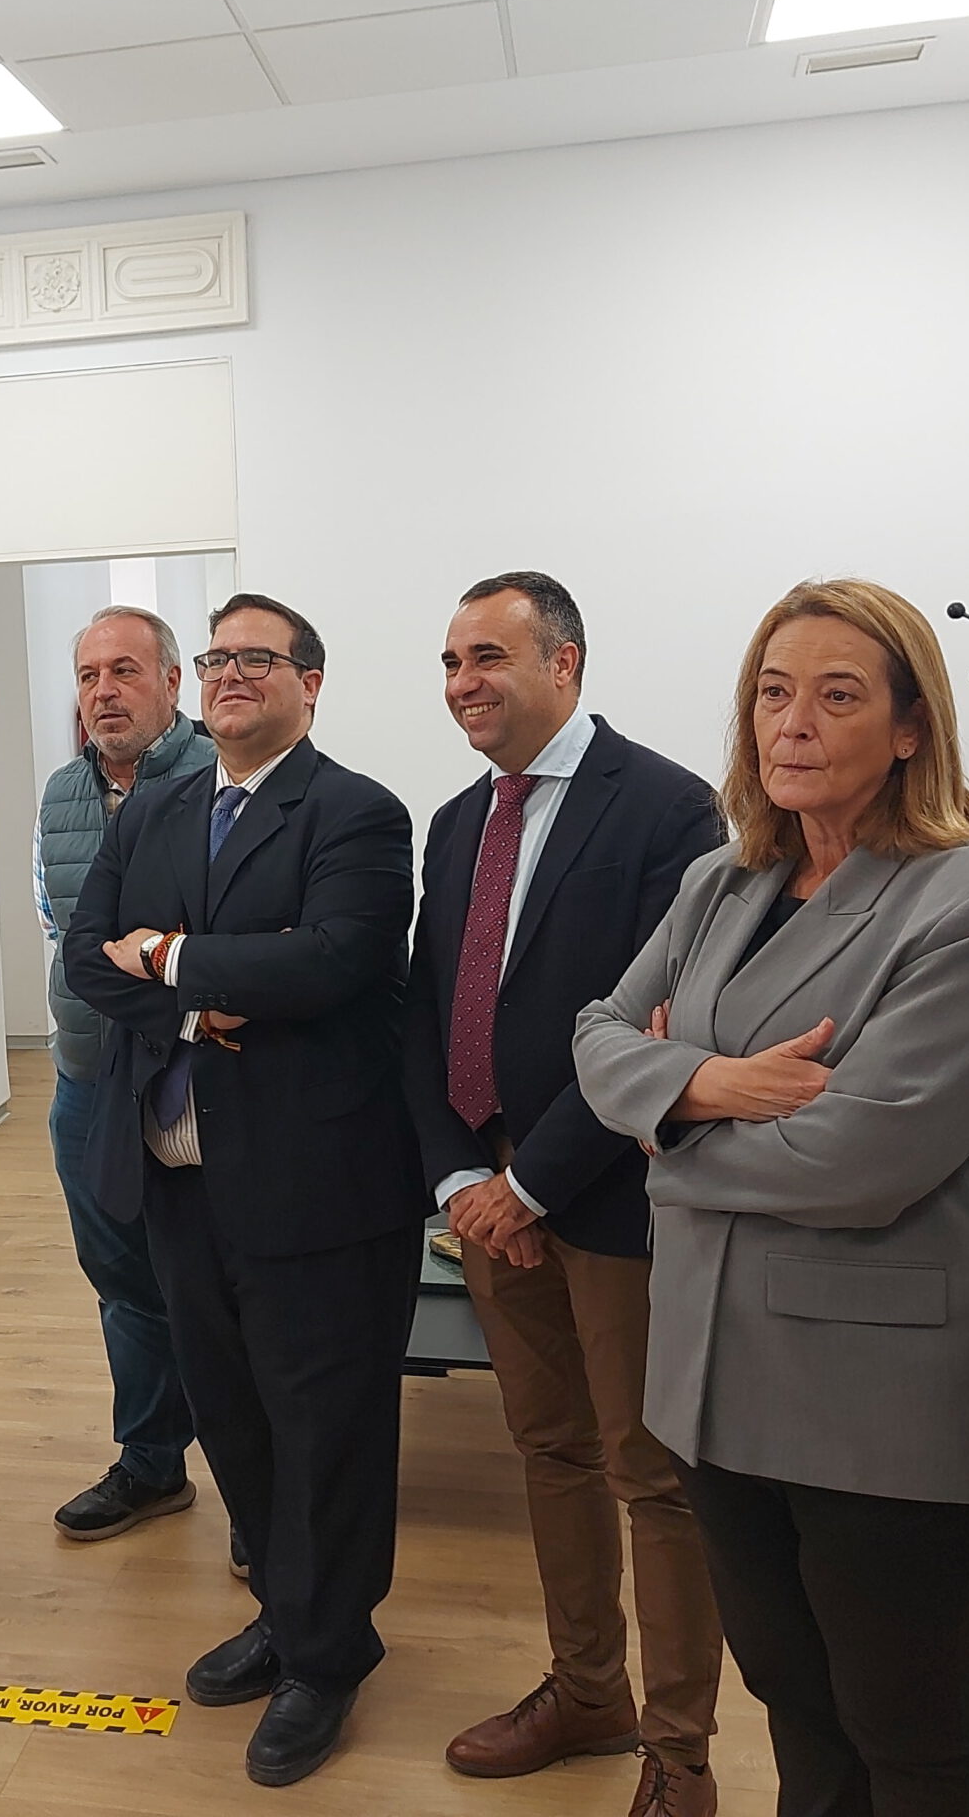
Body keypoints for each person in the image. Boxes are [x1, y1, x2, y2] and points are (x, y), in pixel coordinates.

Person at [574, 581, 969, 1817]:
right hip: (716, 1373)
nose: (790, 723)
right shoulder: (720, 883)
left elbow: (861, 1158)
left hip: (884, 1394)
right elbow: (597, 1037)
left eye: (836, 696)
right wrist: (714, 1085)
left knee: (909, 1729)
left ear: (909, 727)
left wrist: (665, 1135)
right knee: (793, 1698)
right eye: (771, 693)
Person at [64, 592, 424, 1788]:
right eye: (217, 656)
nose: (228, 675)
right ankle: (283, 1610)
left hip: (314, 1186)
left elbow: (328, 961)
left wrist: (169, 956)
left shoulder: (357, 812)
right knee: (233, 1417)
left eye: (255, 659)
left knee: (325, 1430)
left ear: (308, 684)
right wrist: (198, 1004)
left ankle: (330, 1655)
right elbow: (84, 958)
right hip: (180, 1180)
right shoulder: (160, 809)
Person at [406, 572, 728, 1817]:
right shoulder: (456, 822)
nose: (462, 683)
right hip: (485, 1197)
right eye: (450, 662)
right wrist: (460, 1176)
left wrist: (530, 1183)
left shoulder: (664, 809)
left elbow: (663, 1030)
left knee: (650, 1475)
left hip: (608, 1198)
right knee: (549, 1451)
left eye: (487, 656)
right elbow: (430, 1015)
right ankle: (587, 1691)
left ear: (565, 663)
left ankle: (679, 1753)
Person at [34, 605, 219, 1547]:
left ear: (173, 683)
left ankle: (254, 1483)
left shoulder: (222, 776)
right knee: (120, 1280)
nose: (103, 692)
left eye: (125, 672)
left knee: (223, 1285)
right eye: (88, 675)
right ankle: (151, 1464)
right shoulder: (63, 793)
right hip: (88, 1079)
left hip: (199, 1078)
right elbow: (60, 928)